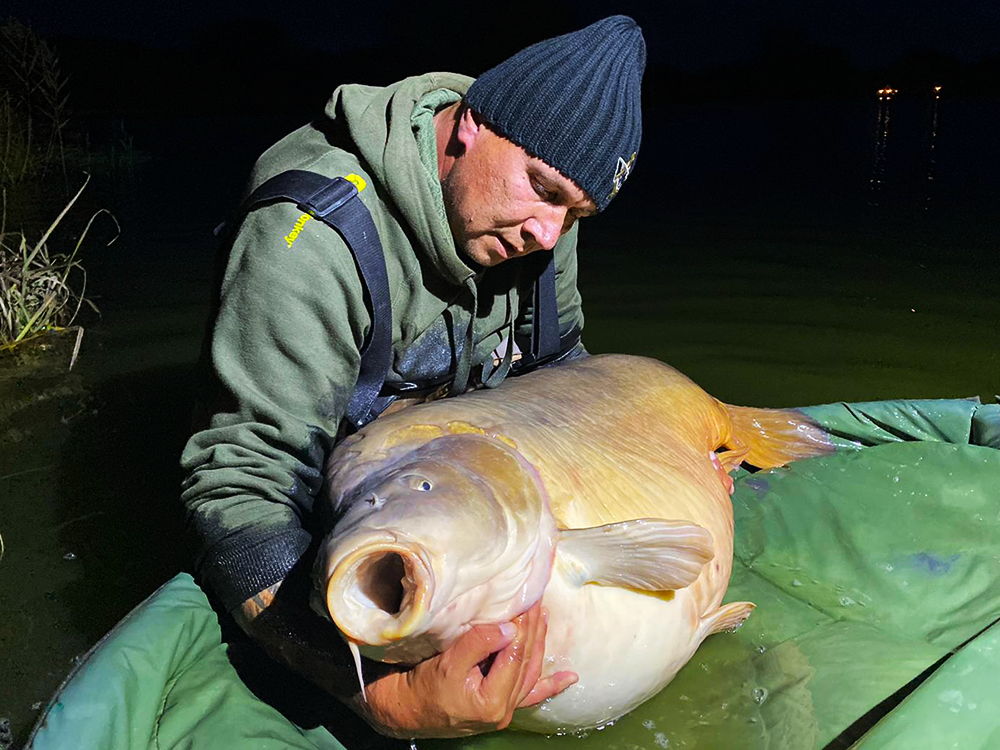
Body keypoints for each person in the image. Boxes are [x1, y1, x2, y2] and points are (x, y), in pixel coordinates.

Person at [180, 15, 645, 739]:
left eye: (576, 213)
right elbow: (240, 482)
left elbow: (560, 373)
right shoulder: (308, 240)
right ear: (469, 129)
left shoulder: (544, 215)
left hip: (453, 491)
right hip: (341, 505)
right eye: (544, 190)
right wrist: (373, 698)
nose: (548, 236)